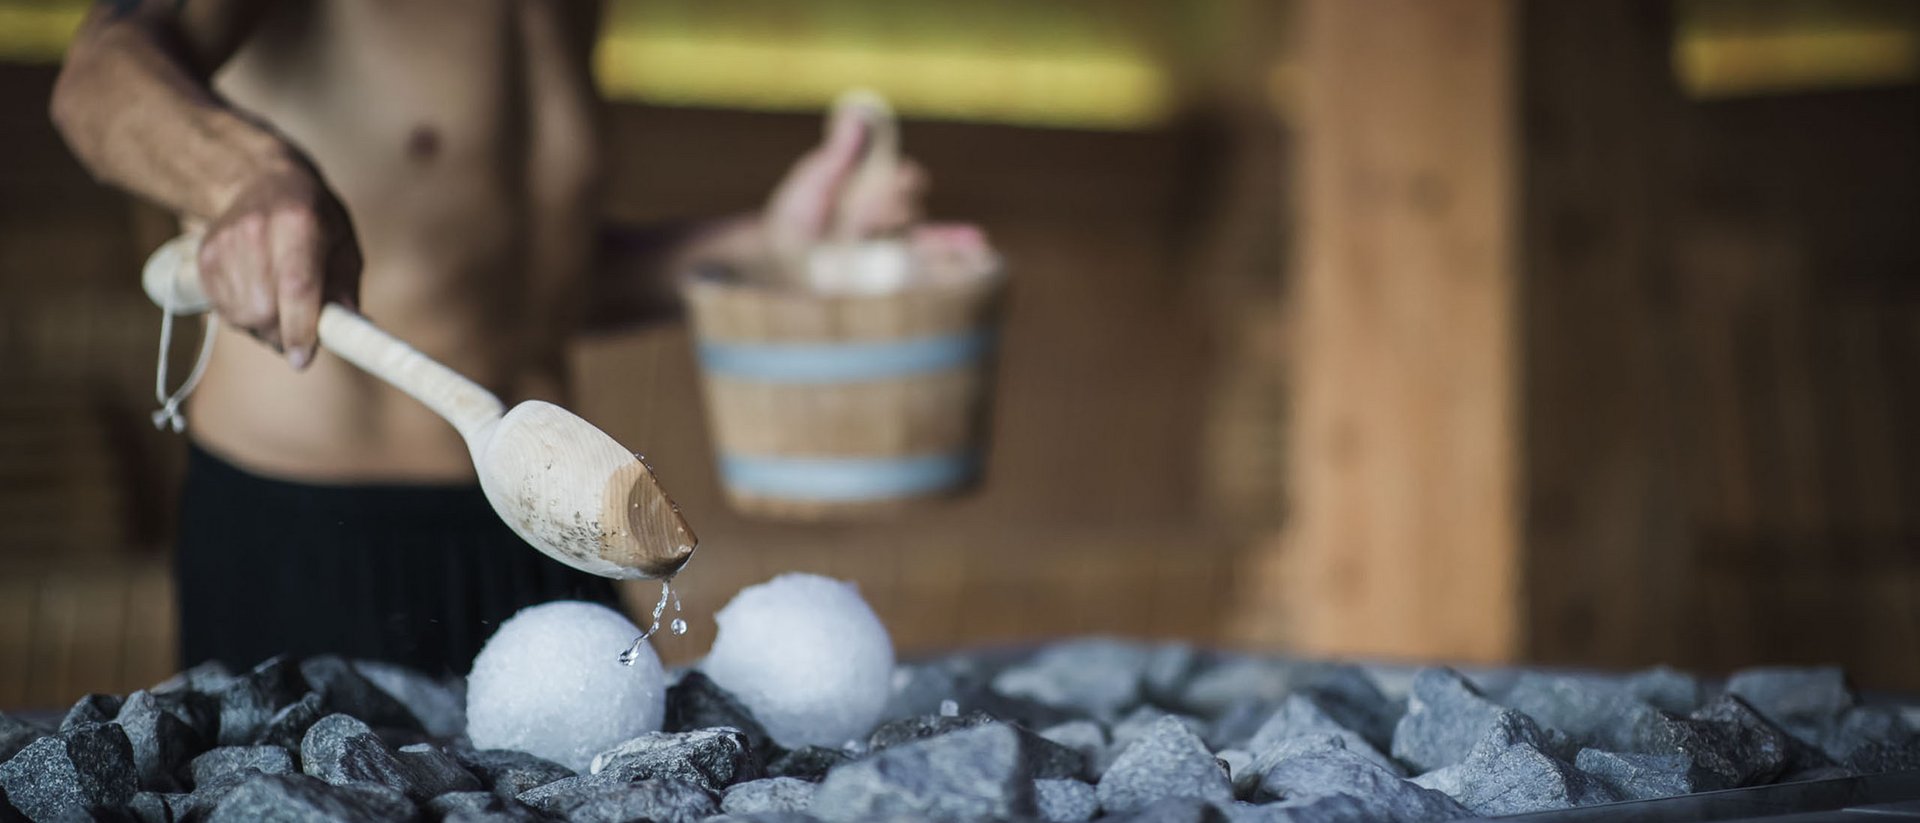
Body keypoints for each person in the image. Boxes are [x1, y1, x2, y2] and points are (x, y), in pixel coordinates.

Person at [50, 0, 983, 674]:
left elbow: (518, 278)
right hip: (321, 532)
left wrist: (777, 246)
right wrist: (245, 179)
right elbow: (97, 73)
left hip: (550, 531)